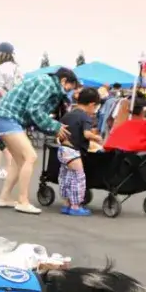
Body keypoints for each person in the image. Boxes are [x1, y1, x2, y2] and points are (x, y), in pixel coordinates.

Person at [0, 66, 80, 215]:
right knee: (30, 157)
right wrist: (54, 126)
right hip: (8, 118)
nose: (70, 91)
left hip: (5, 117)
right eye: (71, 87)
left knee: (19, 161)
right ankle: (23, 201)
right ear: (64, 81)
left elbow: (34, 114)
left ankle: (4, 197)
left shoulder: (46, 82)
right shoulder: (47, 83)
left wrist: (53, 129)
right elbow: (34, 109)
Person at [57, 86, 104, 216]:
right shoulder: (85, 117)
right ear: (92, 104)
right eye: (95, 107)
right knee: (78, 178)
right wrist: (97, 138)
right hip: (73, 152)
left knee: (66, 177)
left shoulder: (68, 115)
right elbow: (86, 134)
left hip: (62, 150)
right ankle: (76, 206)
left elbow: (59, 132)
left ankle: (66, 204)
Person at [0, 42, 23, 179]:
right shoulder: (18, 69)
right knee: (7, 137)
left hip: (2, 107)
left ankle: (5, 167)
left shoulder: (0, 69)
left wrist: (7, 100)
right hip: (15, 108)